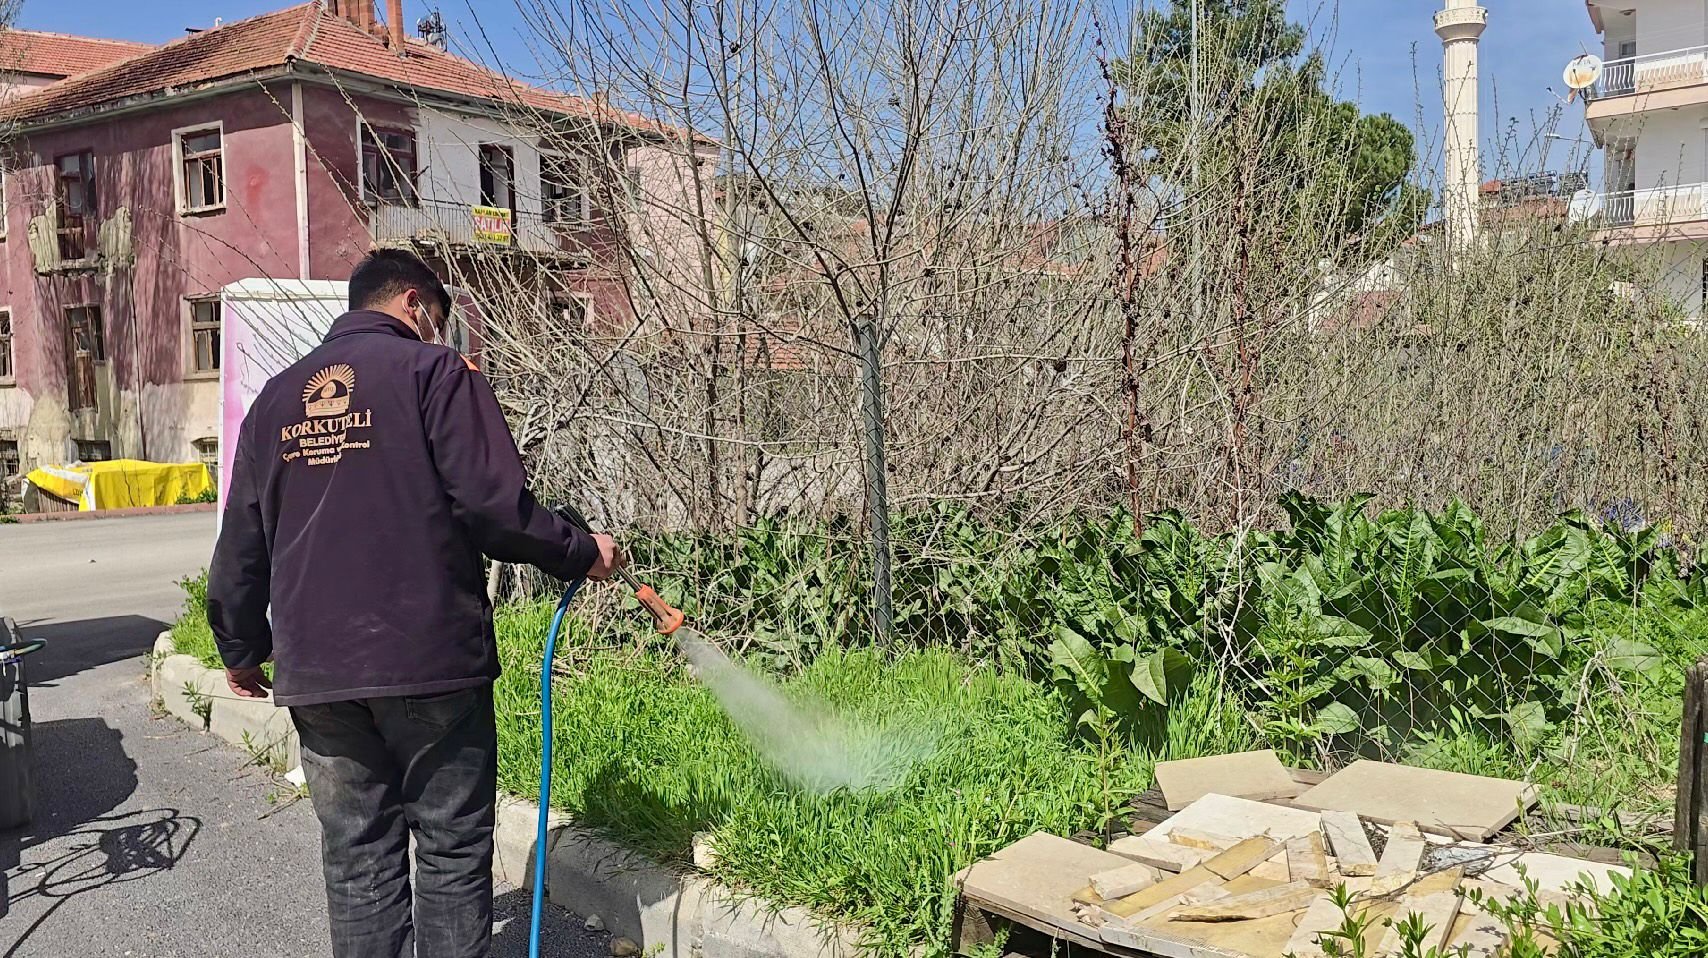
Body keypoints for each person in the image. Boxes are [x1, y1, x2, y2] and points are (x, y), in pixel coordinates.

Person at [207, 248, 624, 958]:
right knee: (451, 848)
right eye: (437, 319)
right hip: (430, 661)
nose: (439, 332)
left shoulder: (276, 400)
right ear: (412, 304)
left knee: (358, 853)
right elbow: (496, 508)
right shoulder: (435, 376)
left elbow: (240, 542)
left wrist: (242, 648)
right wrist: (583, 552)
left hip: (320, 676)